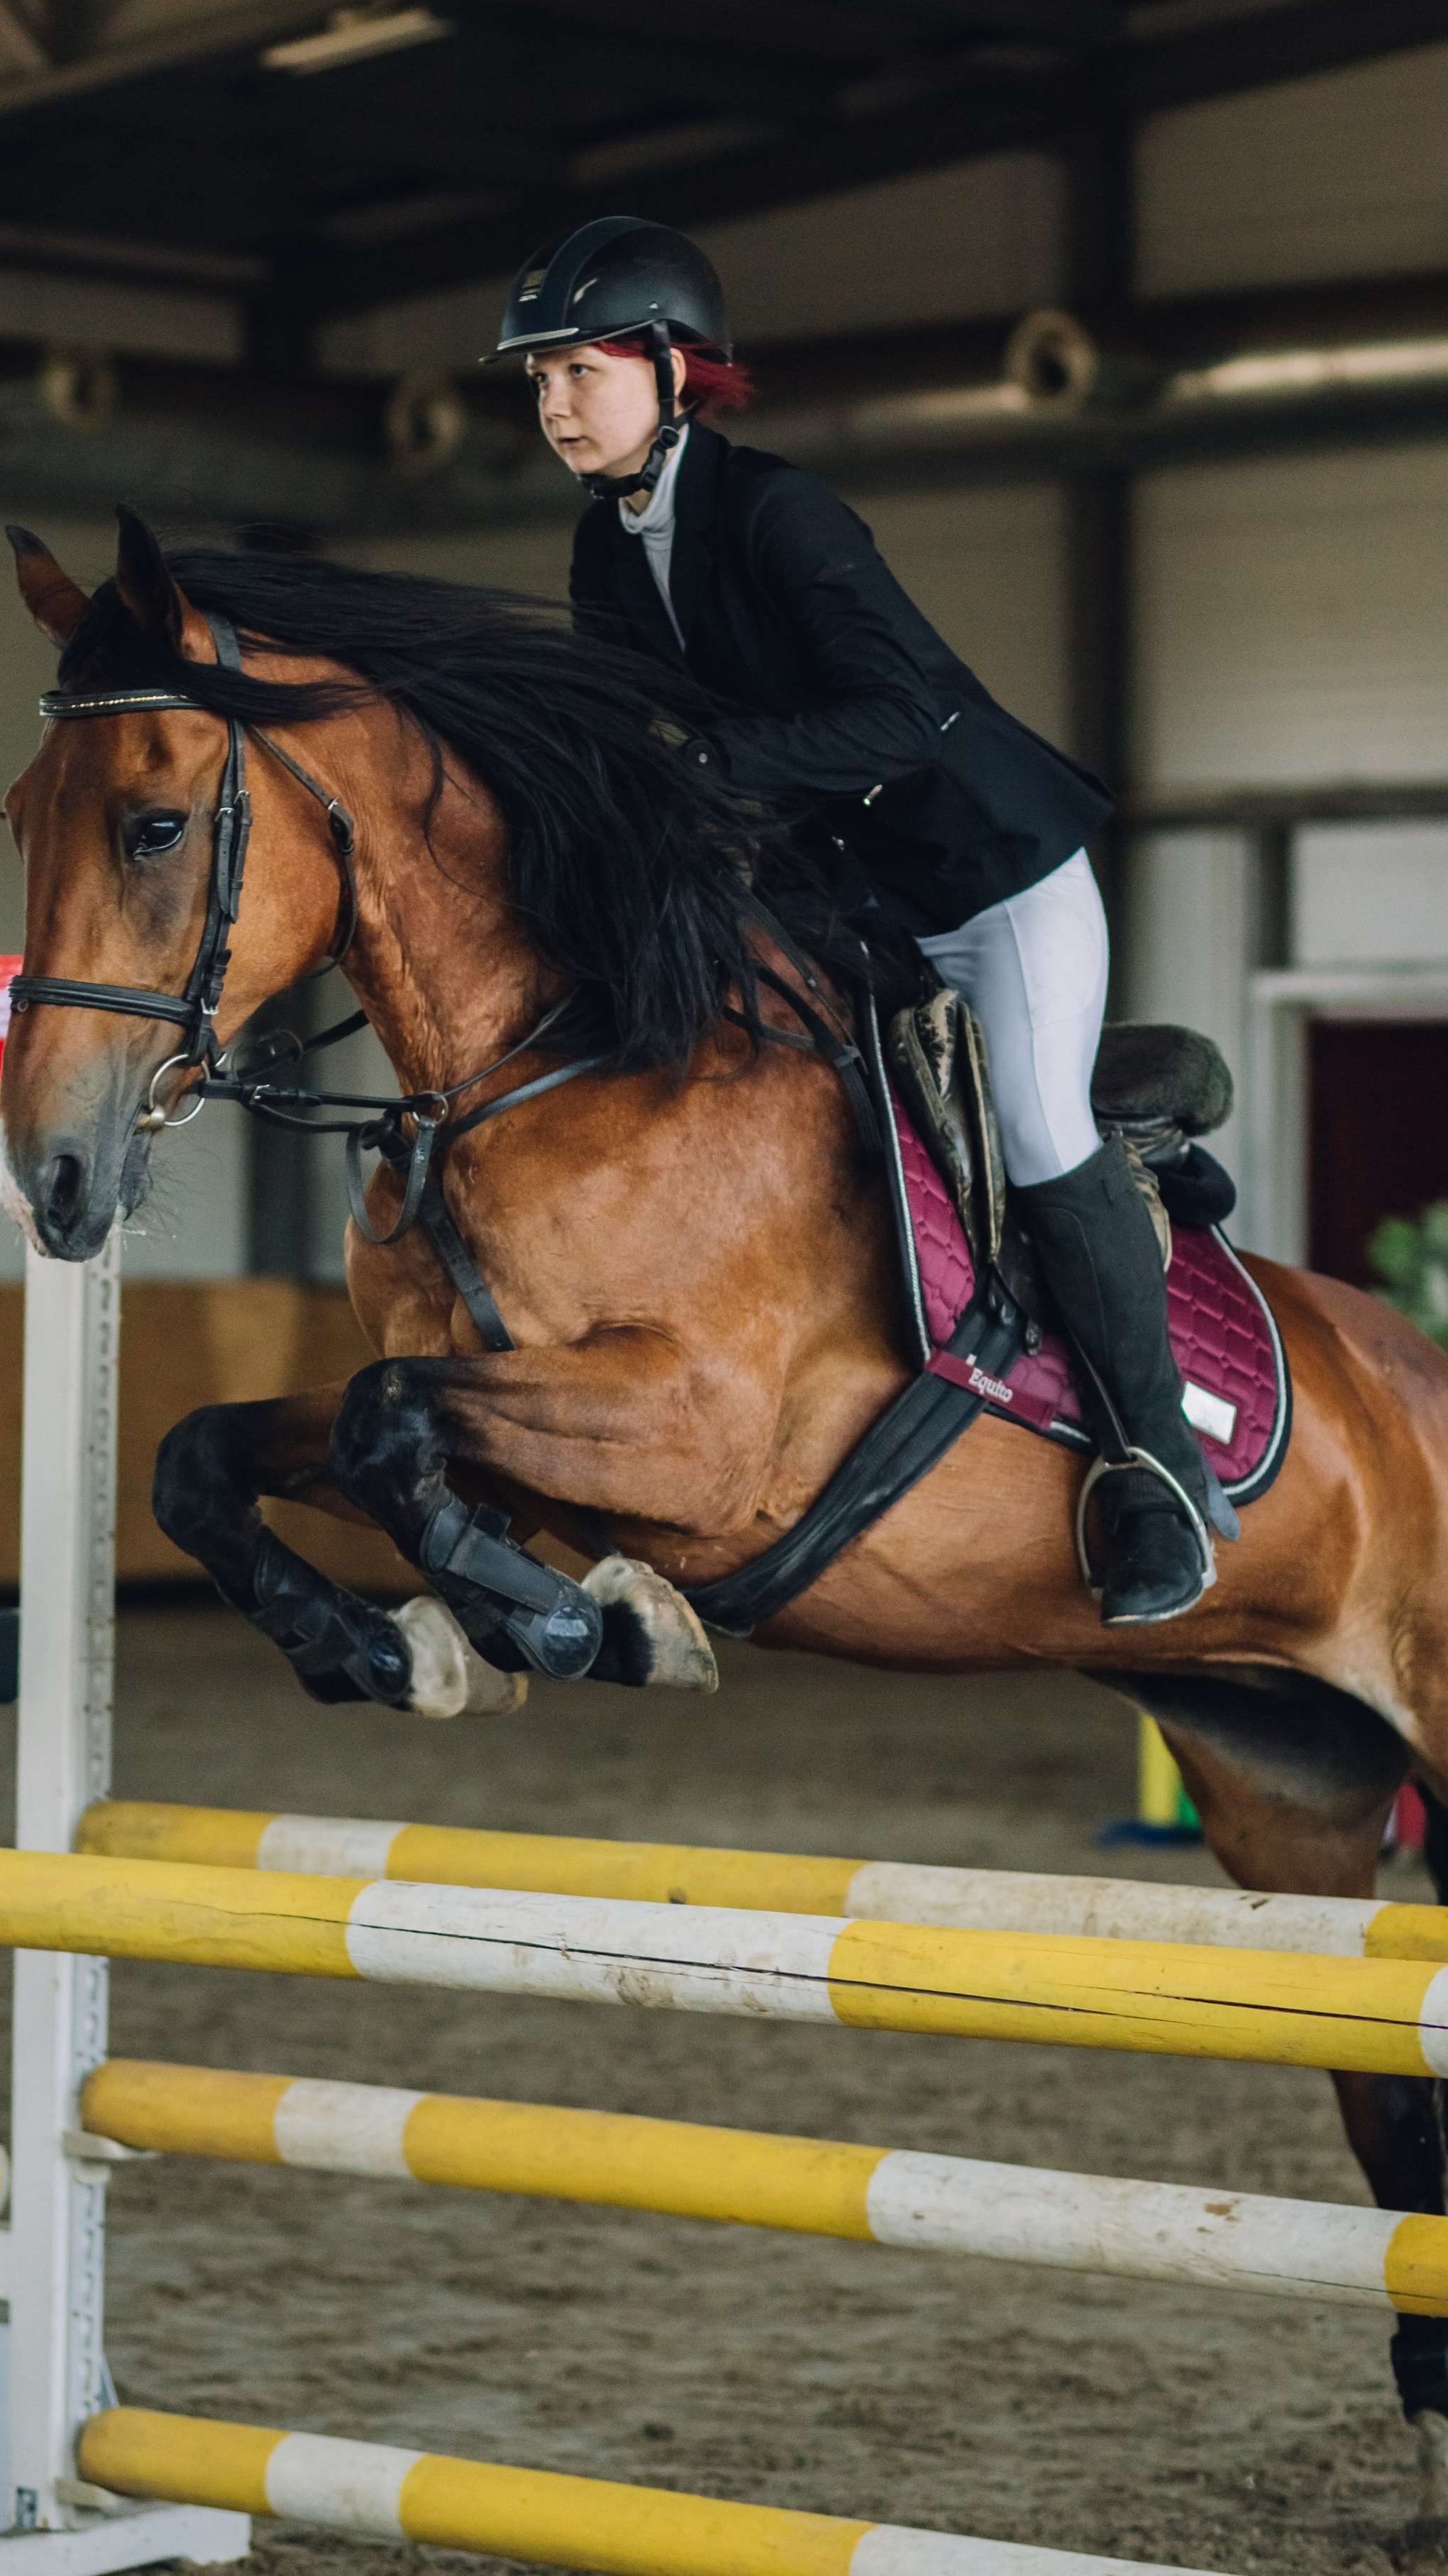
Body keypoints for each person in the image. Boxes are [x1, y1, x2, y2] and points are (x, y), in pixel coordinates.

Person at [494, 213, 1228, 1627]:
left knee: (1034, 1127)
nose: (555, 406)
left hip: (989, 877)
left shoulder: (779, 512)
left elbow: (903, 714)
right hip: (843, 902)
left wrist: (709, 764)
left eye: (581, 372)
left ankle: (1158, 1472)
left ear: (670, 369)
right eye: (539, 382)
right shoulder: (605, 551)